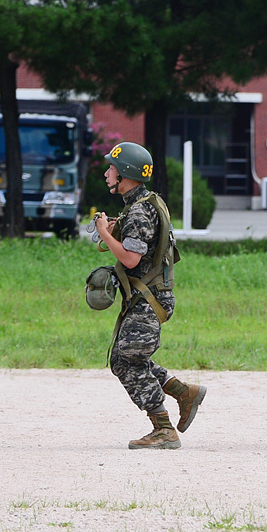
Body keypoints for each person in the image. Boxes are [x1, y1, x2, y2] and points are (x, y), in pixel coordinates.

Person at [94, 142, 206, 450]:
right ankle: (184, 392)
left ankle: (164, 428)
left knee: (126, 360)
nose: (107, 173)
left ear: (125, 173)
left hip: (149, 299)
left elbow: (130, 259)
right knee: (128, 358)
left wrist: (104, 232)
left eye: (112, 168)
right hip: (147, 297)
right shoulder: (141, 203)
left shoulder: (141, 210)